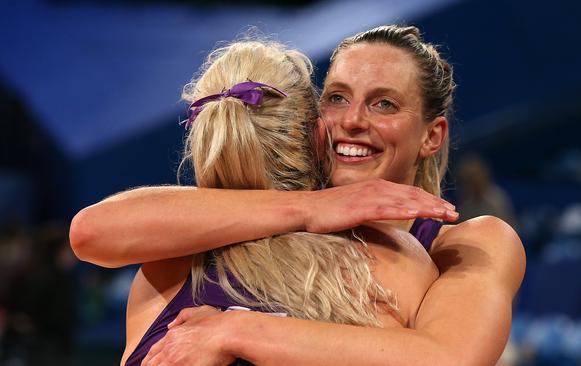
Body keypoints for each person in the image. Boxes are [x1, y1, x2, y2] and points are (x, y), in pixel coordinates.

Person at [70, 25, 525, 365]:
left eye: (384, 103)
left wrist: (236, 329)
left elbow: (448, 360)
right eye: (338, 98)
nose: (353, 121)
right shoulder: (213, 233)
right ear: (311, 120)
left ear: (432, 136)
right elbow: (92, 231)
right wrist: (310, 208)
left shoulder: (465, 246)